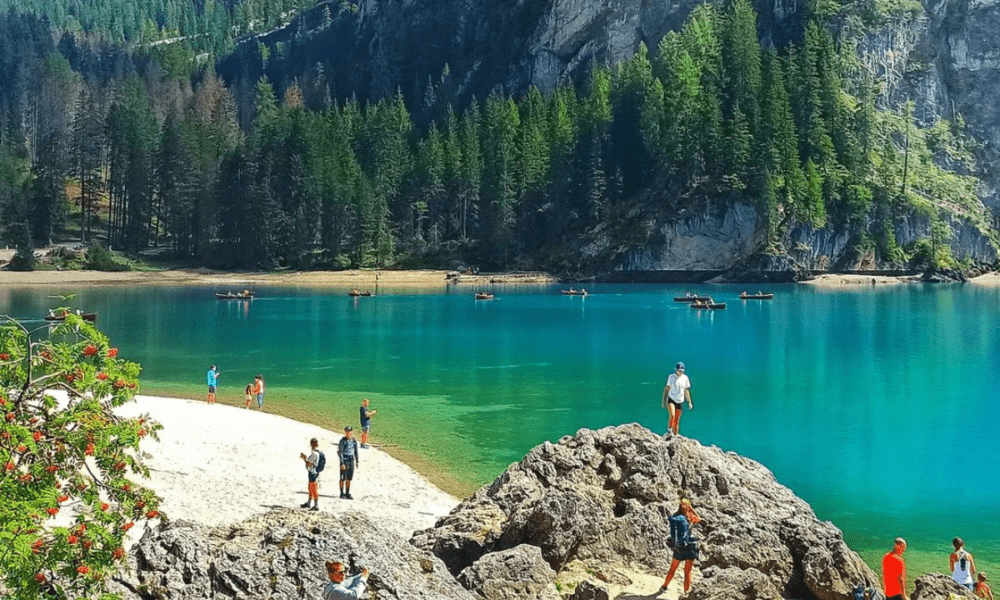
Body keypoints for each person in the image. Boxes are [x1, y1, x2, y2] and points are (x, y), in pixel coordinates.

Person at [660, 498, 702, 595]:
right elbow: (699, 518)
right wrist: (691, 508)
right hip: (690, 546)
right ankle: (686, 592)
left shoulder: (676, 516)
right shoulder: (690, 516)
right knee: (687, 571)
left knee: (673, 568)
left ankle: (665, 585)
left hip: (680, 546)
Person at [662, 362, 692, 435]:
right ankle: (669, 430)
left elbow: (686, 391)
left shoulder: (685, 378)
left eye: (682, 371)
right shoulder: (671, 377)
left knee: (677, 420)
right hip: (672, 399)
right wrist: (664, 400)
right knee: (672, 415)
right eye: (679, 370)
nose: (680, 372)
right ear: (676, 370)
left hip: (680, 400)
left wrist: (689, 402)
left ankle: (675, 435)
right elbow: (667, 388)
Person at [300, 438, 323, 511]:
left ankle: (316, 505)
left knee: (313, 488)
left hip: (313, 472)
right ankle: (309, 503)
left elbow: (309, 463)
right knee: (311, 487)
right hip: (315, 472)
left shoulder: (314, 454)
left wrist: (304, 458)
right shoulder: (318, 452)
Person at [338, 425, 360, 499]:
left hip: (351, 459)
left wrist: (357, 460)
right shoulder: (342, 441)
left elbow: (356, 451)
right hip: (345, 458)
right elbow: (340, 452)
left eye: (349, 432)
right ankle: (341, 493)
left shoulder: (354, 441)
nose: (348, 434)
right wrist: (342, 462)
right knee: (342, 477)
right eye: (347, 432)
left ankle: (347, 492)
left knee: (349, 478)